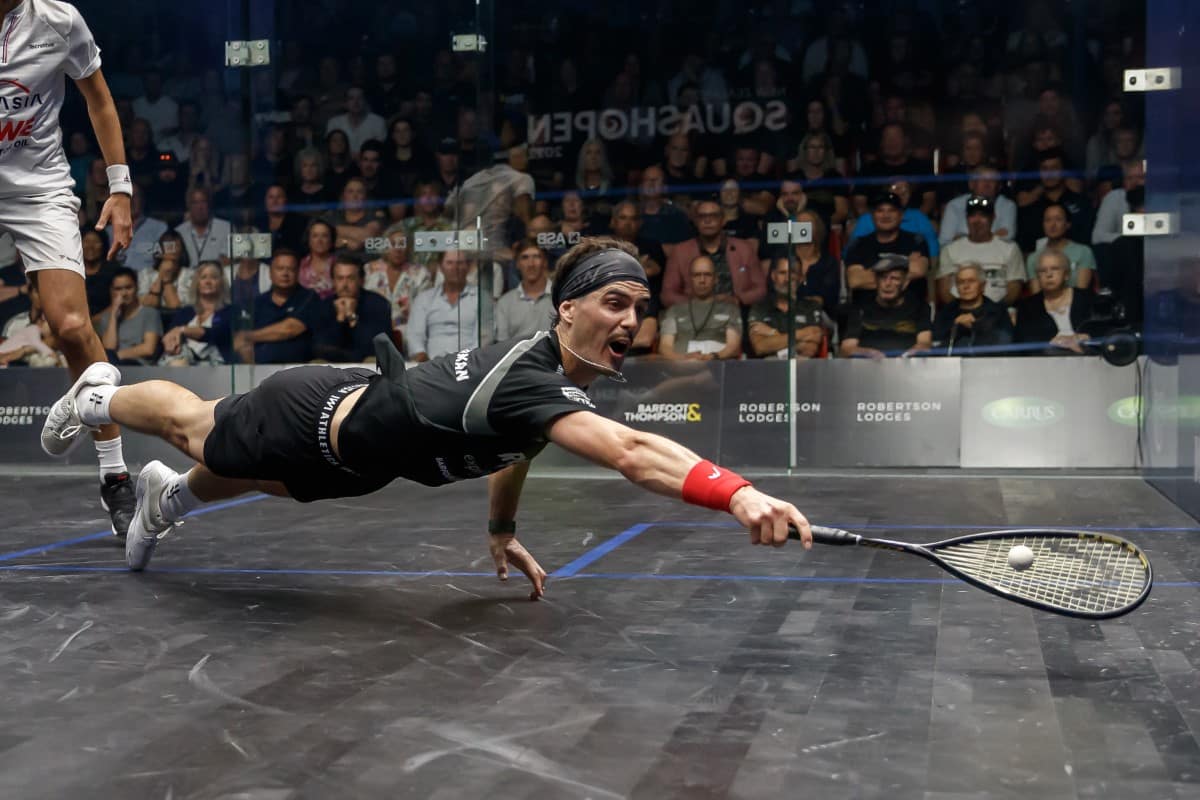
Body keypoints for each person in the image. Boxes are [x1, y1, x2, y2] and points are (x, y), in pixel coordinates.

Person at [45, 237, 814, 593]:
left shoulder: (545, 392)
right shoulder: (535, 377)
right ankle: (98, 395)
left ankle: (162, 499)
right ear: (567, 307)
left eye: (640, 308)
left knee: (258, 478)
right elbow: (634, 452)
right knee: (196, 426)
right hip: (318, 416)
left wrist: (500, 531)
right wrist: (739, 492)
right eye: (614, 302)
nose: (630, 321)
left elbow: (517, 449)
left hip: (358, 463)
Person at [0, 0, 135, 536]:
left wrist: (120, 187)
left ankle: (114, 478)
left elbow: (98, 99)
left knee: (75, 329)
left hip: (40, 191)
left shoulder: (59, 20)